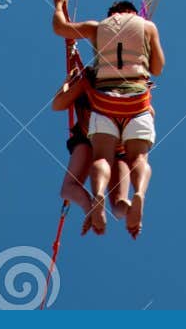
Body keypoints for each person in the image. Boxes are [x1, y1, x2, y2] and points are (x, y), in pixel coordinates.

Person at [53, 0, 165, 237]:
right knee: (138, 161)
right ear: (133, 12)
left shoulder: (97, 28)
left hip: (105, 105)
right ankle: (138, 195)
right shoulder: (147, 27)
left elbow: (60, 28)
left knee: (101, 159)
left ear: (112, 15)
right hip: (136, 104)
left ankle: (97, 195)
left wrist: (59, 4)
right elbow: (157, 68)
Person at [50, 63, 131, 232]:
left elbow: (57, 105)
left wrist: (69, 83)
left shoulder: (86, 81)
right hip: (119, 142)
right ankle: (126, 206)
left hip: (89, 137)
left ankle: (90, 208)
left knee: (69, 187)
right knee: (118, 202)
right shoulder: (131, 86)